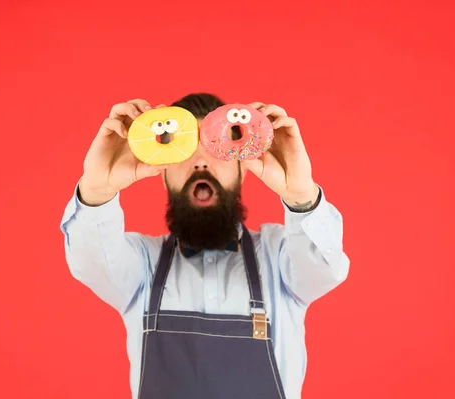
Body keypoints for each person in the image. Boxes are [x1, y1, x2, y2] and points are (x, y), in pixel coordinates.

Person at [59, 93, 350, 399]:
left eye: (216, 148)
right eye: (183, 149)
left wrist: (302, 196)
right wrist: (96, 190)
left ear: (244, 168)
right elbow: (89, 259)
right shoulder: (143, 267)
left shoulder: (281, 259)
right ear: (162, 172)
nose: (199, 162)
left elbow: (324, 266)